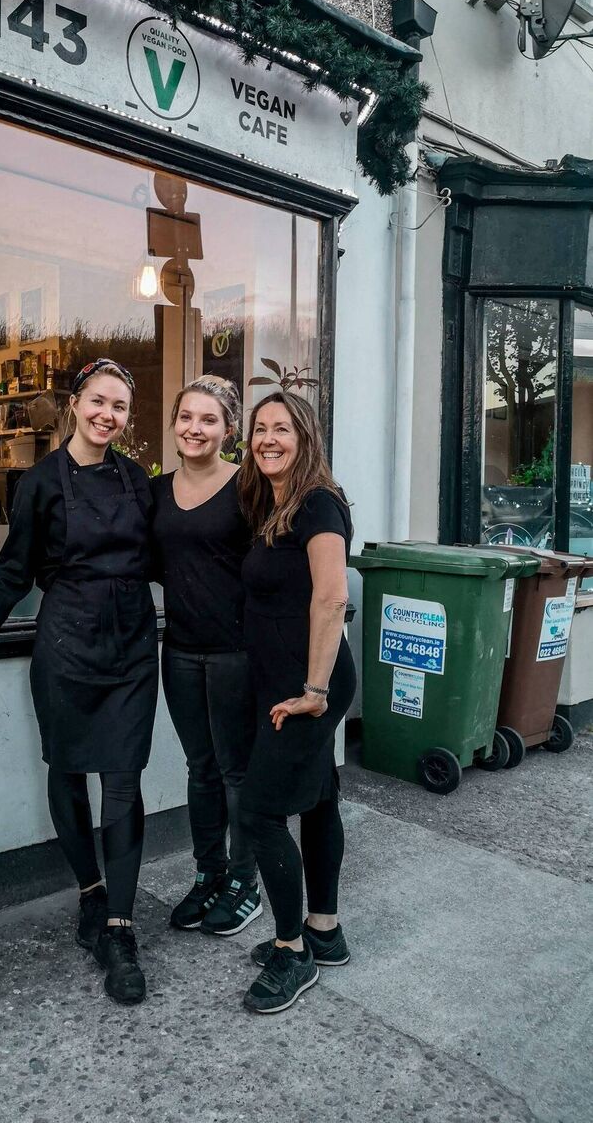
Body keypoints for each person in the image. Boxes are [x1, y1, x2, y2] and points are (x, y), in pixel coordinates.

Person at [0, 358, 158, 1005]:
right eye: (99, 401)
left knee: (123, 779)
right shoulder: (41, 482)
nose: (109, 414)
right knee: (68, 770)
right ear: (75, 404)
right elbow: (13, 568)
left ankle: (120, 926)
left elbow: (171, 554)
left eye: (120, 406)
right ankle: (90, 891)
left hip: (134, 642)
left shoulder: (138, 481)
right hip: (66, 642)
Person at [235, 391, 356, 1014]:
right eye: (259, 429)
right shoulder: (273, 504)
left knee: (258, 813)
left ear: (305, 437)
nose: (268, 439)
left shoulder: (318, 505)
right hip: (284, 684)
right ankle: (325, 931)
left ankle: (291, 951)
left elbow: (332, 598)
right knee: (319, 798)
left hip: (306, 688)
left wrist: (313, 692)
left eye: (282, 428)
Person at [150, 376, 260, 936]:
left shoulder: (249, 488)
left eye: (209, 419)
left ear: (230, 429)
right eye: (186, 417)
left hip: (235, 654)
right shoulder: (157, 490)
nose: (195, 428)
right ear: (174, 423)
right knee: (201, 769)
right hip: (182, 651)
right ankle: (208, 873)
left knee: (237, 772)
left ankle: (245, 882)